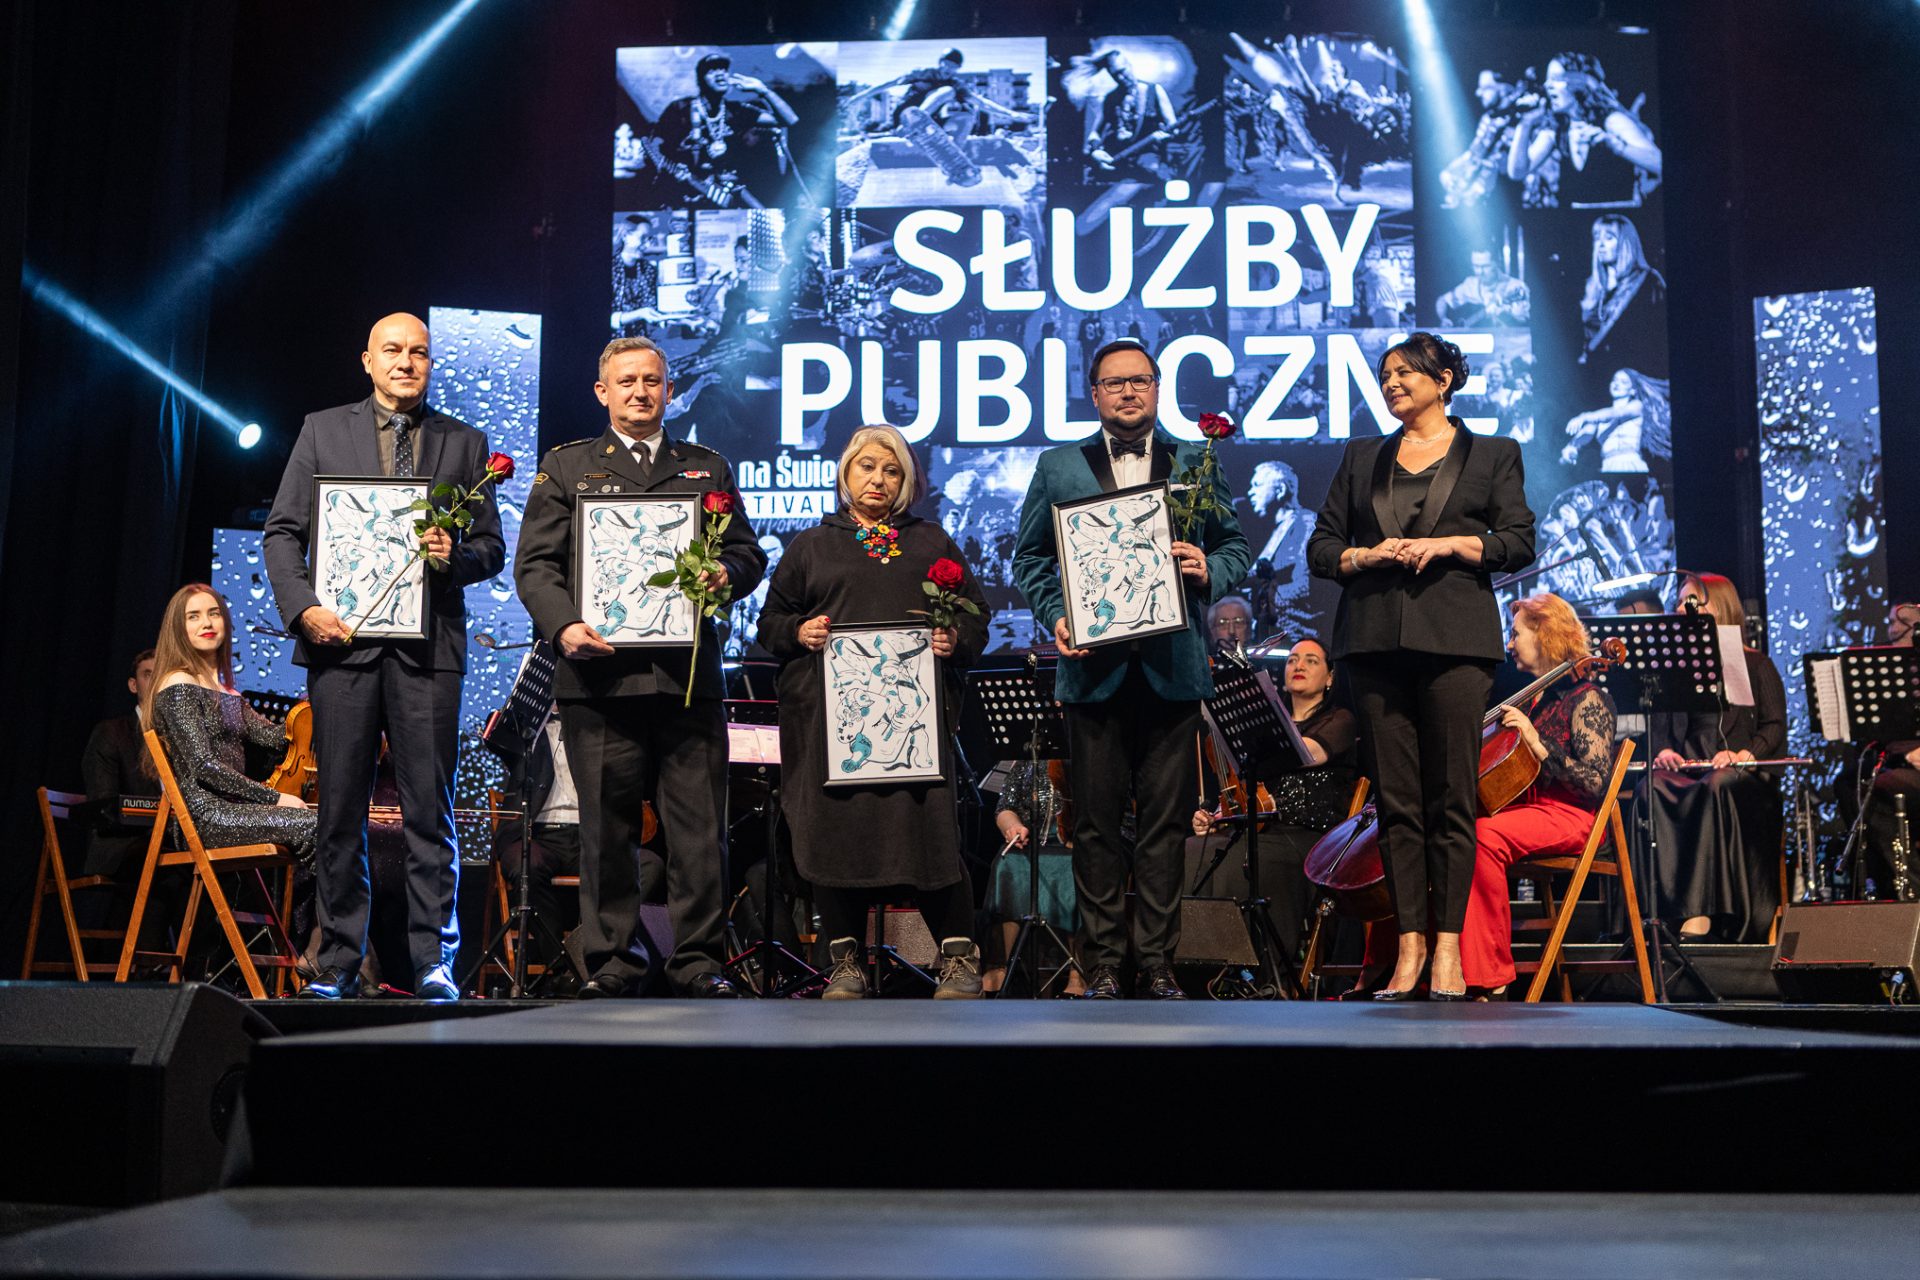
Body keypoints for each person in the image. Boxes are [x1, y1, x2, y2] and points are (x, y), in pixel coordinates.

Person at [515, 335, 766, 999]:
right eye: (626, 381)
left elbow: (747, 554)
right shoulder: (567, 467)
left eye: (651, 381)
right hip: (598, 681)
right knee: (606, 833)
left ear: (670, 391)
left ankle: (699, 963)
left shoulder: (706, 468)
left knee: (698, 834)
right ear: (603, 392)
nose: (639, 391)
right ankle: (612, 964)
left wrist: (725, 573)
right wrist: (564, 625)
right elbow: (535, 566)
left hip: (687, 682)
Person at [264, 313, 505, 1002]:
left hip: (428, 653)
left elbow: (491, 548)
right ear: (366, 360)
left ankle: (432, 962)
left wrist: (453, 556)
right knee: (339, 811)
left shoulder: (464, 442)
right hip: (341, 649)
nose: (406, 361)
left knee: (430, 813)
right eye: (392, 350)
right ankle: (339, 960)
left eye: (419, 352)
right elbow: (282, 533)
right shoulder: (321, 430)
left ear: (430, 363)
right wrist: (304, 609)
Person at [1012, 340, 1253, 999]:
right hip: (1094, 673)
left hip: (1172, 670)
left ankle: (1156, 962)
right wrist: (1058, 614)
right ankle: (1103, 965)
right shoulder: (1059, 465)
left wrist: (1210, 569)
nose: (1127, 391)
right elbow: (1029, 558)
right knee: (1094, 827)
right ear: (1094, 393)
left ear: (1157, 388)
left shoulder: (1196, 461)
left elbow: (1234, 545)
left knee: (1164, 828)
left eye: (1139, 381)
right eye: (1114, 382)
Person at [1306, 331, 1536, 999]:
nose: (1392, 383)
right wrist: (1366, 556)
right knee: (1397, 803)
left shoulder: (1493, 454)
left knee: (1451, 799)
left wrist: (1452, 545)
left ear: (1444, 380)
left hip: (1456, 643)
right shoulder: (1362, 456)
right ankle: (1408, 949)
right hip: (1372, 642)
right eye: (1385, 375)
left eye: (1405, 372)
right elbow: (1322, 547)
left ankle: (1449, 952)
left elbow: (1518, 541)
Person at [755, 424, 991, 999]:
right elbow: (770, 624)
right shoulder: (811, 546)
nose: (878, 480)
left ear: (905, 481)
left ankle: (959, 962)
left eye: (891, 470)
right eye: (867, 467)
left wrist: (953, 638)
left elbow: (976, 618)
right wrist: (800, 631)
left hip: (914, 731)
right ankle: (844, 965)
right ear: (846, 473)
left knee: (929, 838)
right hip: (832, 732)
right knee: (837, 838)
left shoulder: (931, 542)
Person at [1358, 595, 1616, 997]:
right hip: (1524, 812)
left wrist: (1537, 742)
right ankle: (1394, 966)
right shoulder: (1533, 697)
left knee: (1478, 838)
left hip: (1570, 816)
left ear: (1545, 634)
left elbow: (1595, 782)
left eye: (1515, 634)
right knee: (1435, 838)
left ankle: (1488, 978)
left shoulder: (1588, 698)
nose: (1508, 644)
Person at [1191, 636, 1359, 964]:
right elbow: (1244, 788)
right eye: (1292, 659)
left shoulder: (1340, 719)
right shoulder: (1263, 726)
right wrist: (1219, 815)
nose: (1299, 665)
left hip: (1310, 838)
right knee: (1192, 850)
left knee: (1243, 859)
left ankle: (1259, 971)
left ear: (1330, 677)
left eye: (1311, 660)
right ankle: (1201, 967)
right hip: (1262, 830)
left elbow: (1307, 753)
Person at [1642, 572, 1787, 942]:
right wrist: (1664, 750)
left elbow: (1774, 725)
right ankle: (1664, 911)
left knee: (1716, 786)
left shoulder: (1755, 664)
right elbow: (1660, 725)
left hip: (1739, 774)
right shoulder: (1675, 667)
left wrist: (1745, 753)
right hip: (1691, 765)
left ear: (1719, 607)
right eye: (1678, 602)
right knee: (1652, 787)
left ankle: (1703, 911)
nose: (1680, 609)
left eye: (1690, 601)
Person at [142, 585, 316, 861]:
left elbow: (276, 739)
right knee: (315, 826)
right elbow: (203, 766)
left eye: (214, 614)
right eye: (193, 616)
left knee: (332, 822)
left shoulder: (229, 693)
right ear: (178, 628)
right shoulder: (178, 683)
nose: (207, 623)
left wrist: (319, 698)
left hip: (239, 810)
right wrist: (274, 798)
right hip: (207, 816)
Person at [1505, 52, 1661, 209]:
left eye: (1556, 79)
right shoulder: (1558, 129)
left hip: (1616, 216)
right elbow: (1518, 172)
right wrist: (1525, 124)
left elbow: (1659, 163)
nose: (1547, 85)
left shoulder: (1611, 120)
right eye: (1548, 79)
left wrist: (1615, 145)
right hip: (1577, 220)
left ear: (1580, 83)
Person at [986, 759, 1087, 997]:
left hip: (1074, 842)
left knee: (1072, 867)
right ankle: (999, 967)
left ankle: (1078, 974)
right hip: (1032, 842)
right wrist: (1012, 827)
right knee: (1007, 863)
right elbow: (1005, 807)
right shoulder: (1026, 762)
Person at [650, 53, 798, 208]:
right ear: (700, 80)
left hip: (724, 194)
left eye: (724, 69)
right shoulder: (680, 108)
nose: (720, 74)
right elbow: (653, 145)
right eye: (712, 70)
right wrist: (671, 169)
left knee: (767, 214)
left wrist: (763, 91)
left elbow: (789, 120)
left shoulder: (737, 110)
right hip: (683, 194)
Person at [80, 649, 160, 879]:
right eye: (149, 675)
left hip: (170, 839)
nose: (157, 681)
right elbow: (104, 806)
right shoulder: (112, 733)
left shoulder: (183, 738)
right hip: (123, 845)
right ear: (133, 685)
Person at [1085, 50, 1180, 181]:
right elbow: (1094, 133)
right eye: (1115, 75)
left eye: (1122, 71)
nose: (1121, 78)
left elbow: (1174, 128)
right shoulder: (1110, 98)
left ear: (1129, 65)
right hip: (1116, 156)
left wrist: (1163, 136)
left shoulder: (1153, 90)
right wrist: (1096, 150)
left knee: (1153, 171)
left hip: (1146, 155)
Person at [1434, 249, 1531, 327]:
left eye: (1485, 266)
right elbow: (1442, 300)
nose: (1480, 272)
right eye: (1476, 266)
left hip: (1510, 343)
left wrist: (1504, 314)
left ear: (1497, 263)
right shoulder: (1470, 284)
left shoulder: (1516, 287)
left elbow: (1524, 322)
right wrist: (1443, 318)